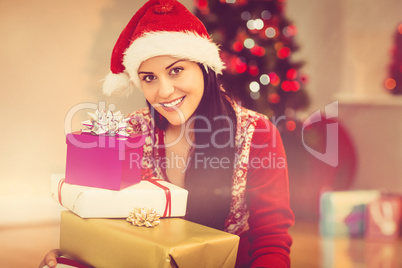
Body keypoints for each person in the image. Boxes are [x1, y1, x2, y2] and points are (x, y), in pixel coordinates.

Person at [40, 0, 294, 267]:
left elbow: (271, 242)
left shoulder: (257, 133)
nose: (163, 92)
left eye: (176, 70)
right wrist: (71, 258)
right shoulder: (131, 133)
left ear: (204, 69)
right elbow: (109, 227)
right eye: (149, 78)